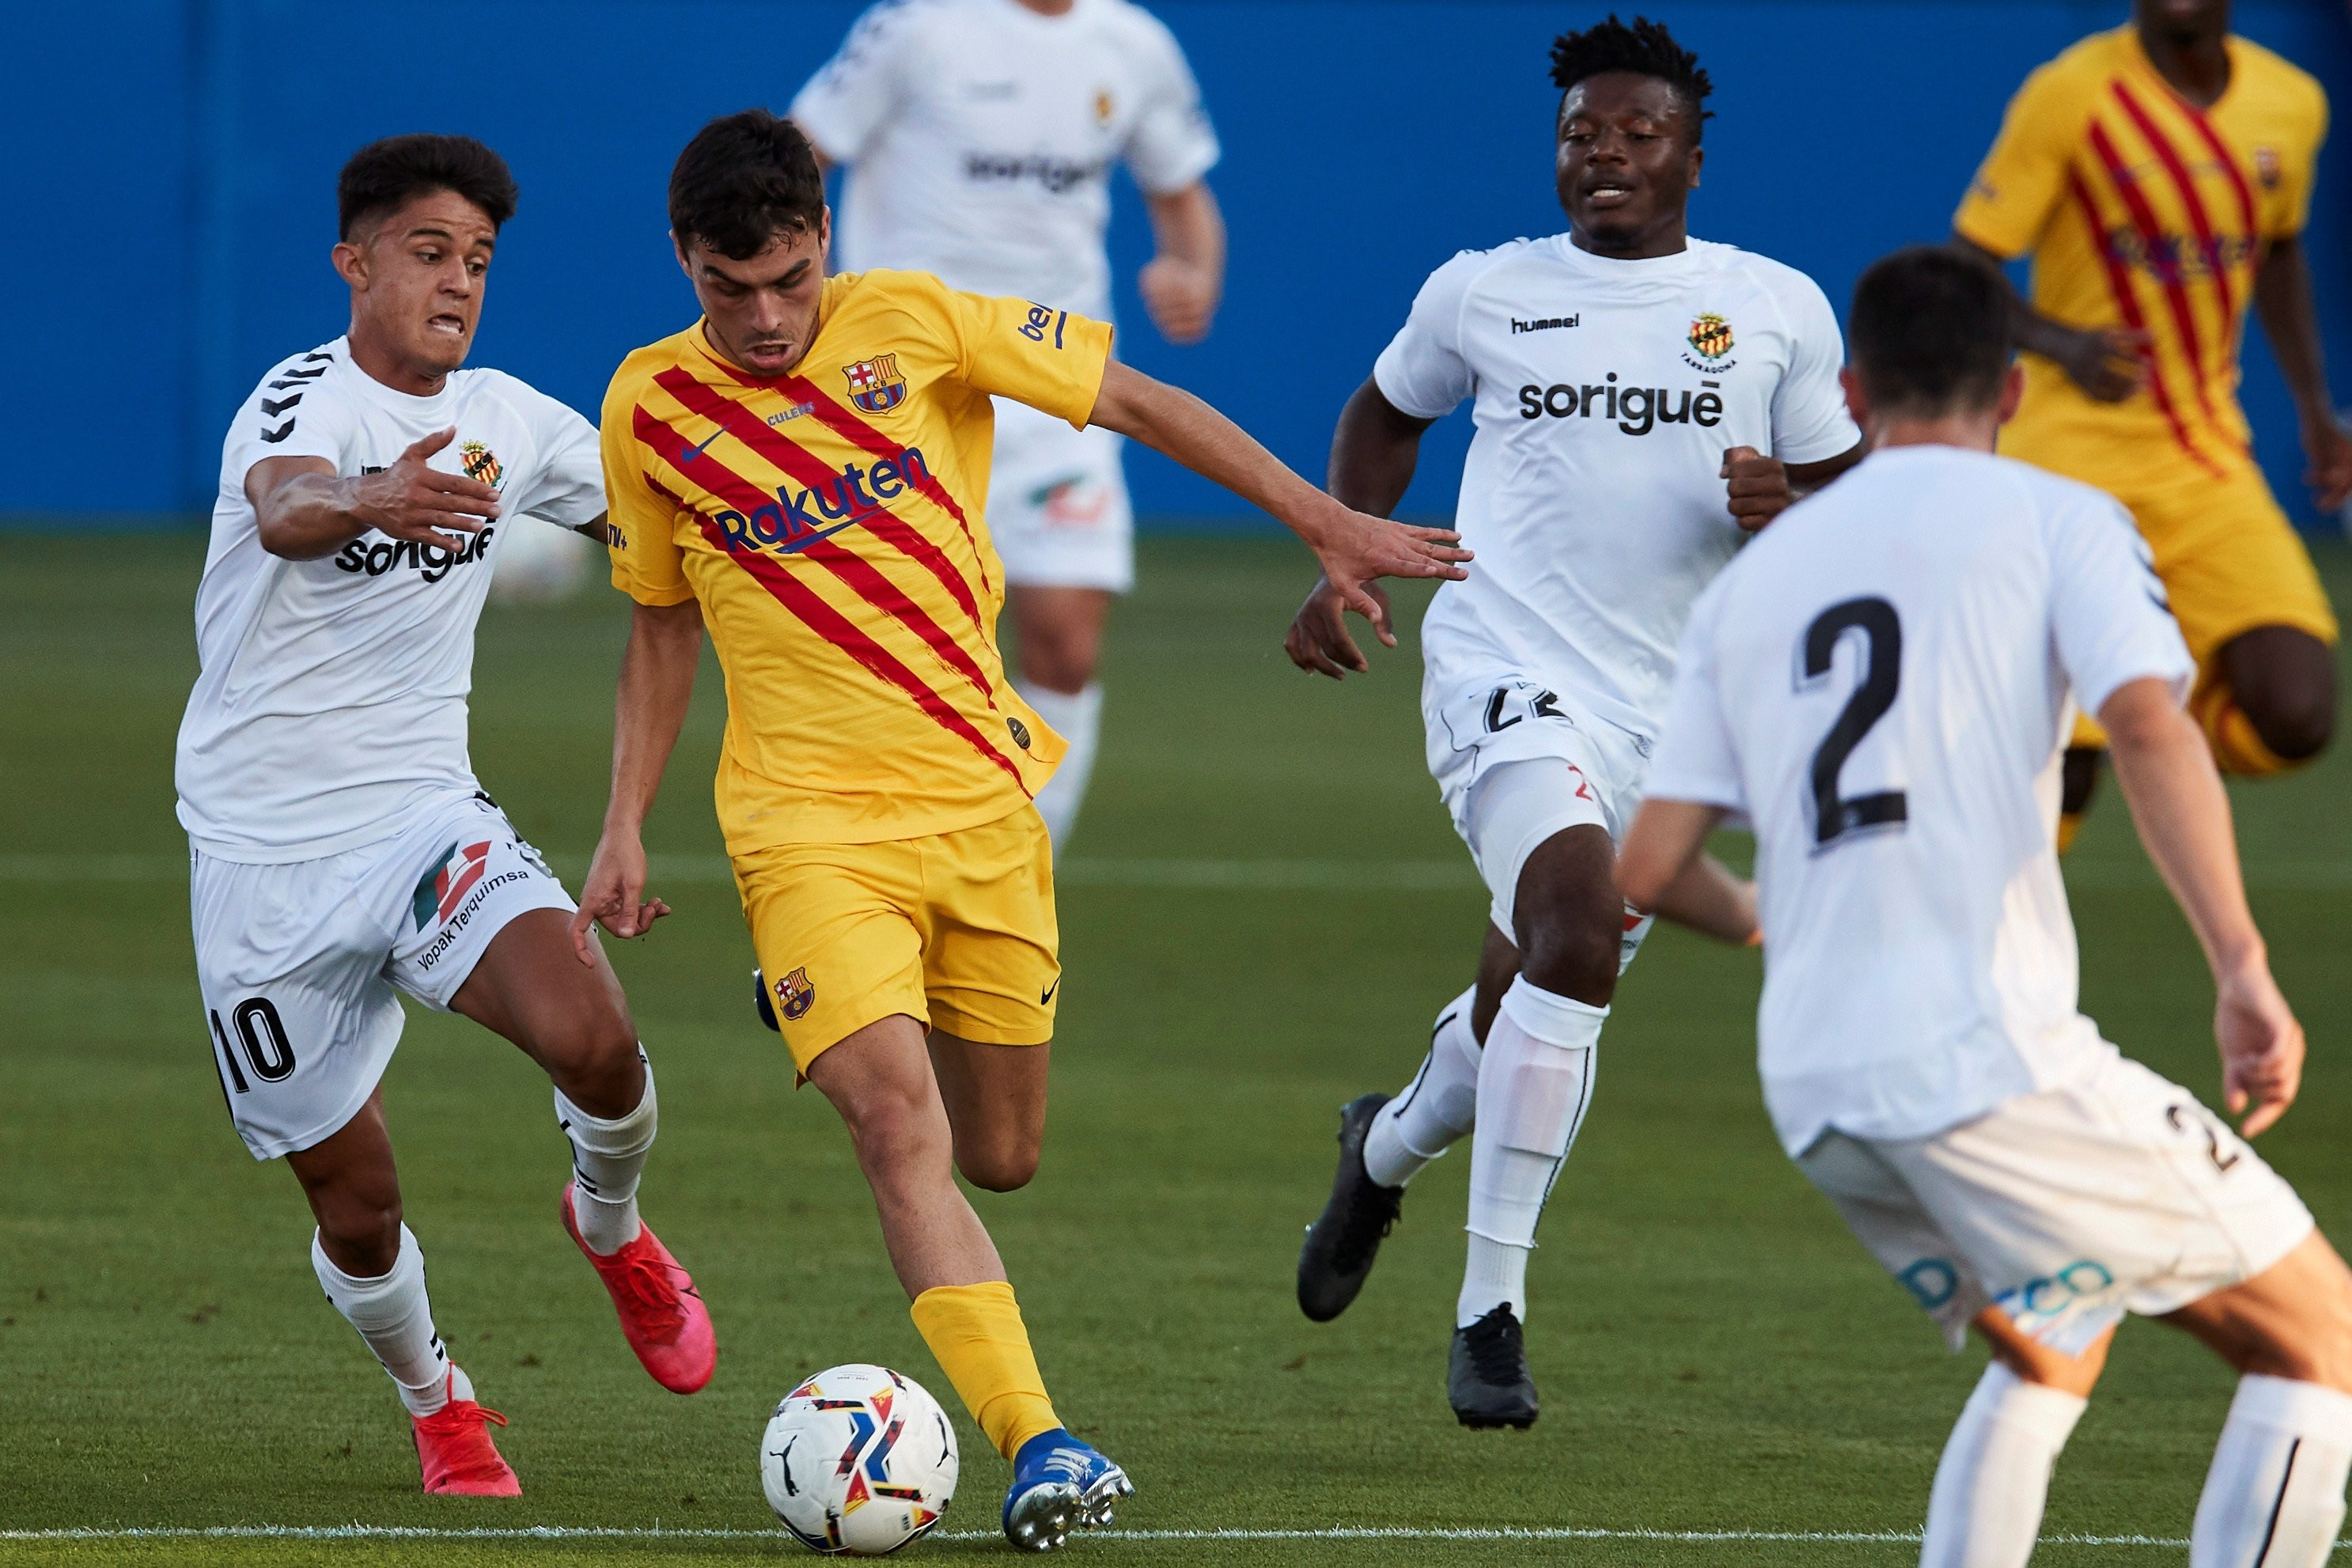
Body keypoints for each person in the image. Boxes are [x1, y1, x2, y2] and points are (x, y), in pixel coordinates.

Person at [570, 110, 1464, 1551]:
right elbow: (661, 624)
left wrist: (1321, 517)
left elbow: (1136, 401)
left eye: (788, 279)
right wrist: (622, 823)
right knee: (894, 1126)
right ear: (683, 259)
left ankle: (834, 1000)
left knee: (1001, 1155)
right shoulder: (648, 409)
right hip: (803, 829)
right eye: (726, 288)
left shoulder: (915, 321)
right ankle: (1038, 1441)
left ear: (824, 242)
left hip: (984, 806)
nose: (762, 318)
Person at [1619, 244, 2352, 1568]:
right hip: (1983, 1061)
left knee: (2055, 1335)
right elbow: (2146, 725)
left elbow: (1646, 865)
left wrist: (1760, 919)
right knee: (2319, 1335)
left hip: (1817, 1085)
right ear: (2011, 390)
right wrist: (2240, 964)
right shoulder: (2058, 519)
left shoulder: (1752, 588)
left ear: (1851, 390)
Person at [1286, 16, 1862, 1429]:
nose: (1602, 156)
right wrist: (1343, 551)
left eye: (1634, 135)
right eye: (1580, 136)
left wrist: (1786, 507)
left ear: (1690, 155)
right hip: (1504, 664)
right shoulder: (1485, 291)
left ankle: (1386, 1146)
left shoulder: (1773, 305)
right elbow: (1382, 412)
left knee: (1526, 997)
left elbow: (1853, 506)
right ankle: (1492, 1309)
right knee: (1573, 932)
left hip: (1680, 705)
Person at [173, 135, 714, 1498]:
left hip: (418, 816)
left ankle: (613, 1228)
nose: (457, 281)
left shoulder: (514, 421)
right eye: (427, 252)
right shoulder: (300, 400)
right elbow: (290, 506)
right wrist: (371, 493)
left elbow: (670, 531)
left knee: (595, 1038)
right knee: (355, 1203)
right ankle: (440, 1400)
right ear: (354, 263)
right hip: (258, 860)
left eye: (476, 259)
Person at [791, 0, 1226, 852]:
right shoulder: (916, 25)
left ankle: (1019, 874)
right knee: (891, 649)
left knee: (1063, 642)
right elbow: (797, 157)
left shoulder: (1134, 45)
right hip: (898, 393)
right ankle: (857, 866)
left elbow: (1181, 195)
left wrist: (1195, 272)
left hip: (1053, 388)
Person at [1951, 0, 2348, 850]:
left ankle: (2151, 727)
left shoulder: (2293, 102)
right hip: (2065, 458)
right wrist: (2063, 342)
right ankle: (1997, 958)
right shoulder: (2072, 93)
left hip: (2203, 457)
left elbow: (2280, 250)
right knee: (2065, 760)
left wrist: (2317, 411)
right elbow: (1967, 263)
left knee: (2297, 713)